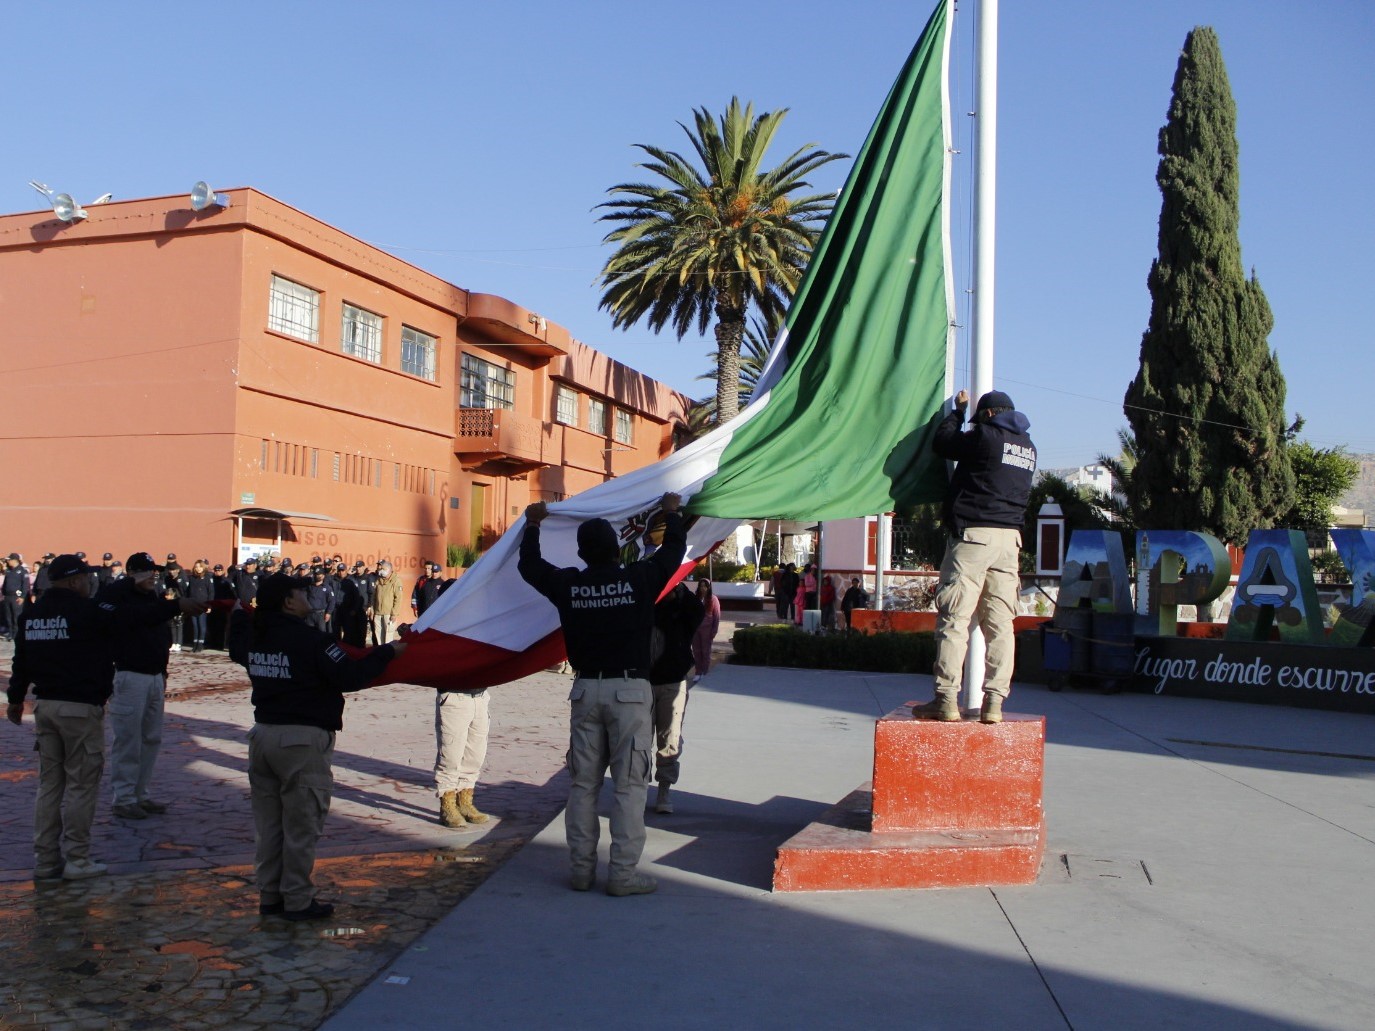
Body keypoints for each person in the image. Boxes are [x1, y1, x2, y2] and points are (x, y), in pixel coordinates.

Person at [518, 492, 686, 897]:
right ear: (616, 551)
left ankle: (580, 870)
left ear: (581, 553)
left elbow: (529, 566)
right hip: (629, 691)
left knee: (583, 785)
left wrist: (534, 525)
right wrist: (671, 513)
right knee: (629, 786)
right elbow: (673, 551)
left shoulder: (569, 584)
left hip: (585, 690)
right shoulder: (639, 579)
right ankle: (623, 875)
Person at [228, 573, 404, 921]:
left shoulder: (257, 636)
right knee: (301, 824)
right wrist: (387, 653)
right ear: (288, 602)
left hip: (263, 736)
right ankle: (297, 901)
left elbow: (237, 649)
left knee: (270, 826)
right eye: (301, 591)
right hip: (301, 741)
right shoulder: (311, 640)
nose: (309, 595)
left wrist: (236, 616)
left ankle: (271, 896)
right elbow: (351, 676)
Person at [912, 389, 1037, 725]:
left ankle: (946, 699)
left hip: (973, 537)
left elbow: (944, 443)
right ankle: (994, 703)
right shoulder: (1028, 448)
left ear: (989, 414)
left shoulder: (986, 436)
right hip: (1010, 543)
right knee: (1001, 626)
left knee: (956, 620)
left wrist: (958, 411)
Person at [6, 555, 116, 880]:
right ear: (73, 581)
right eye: (85, 578)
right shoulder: (87, 612)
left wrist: (15, 699)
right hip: (80, 707)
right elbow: (122, 627)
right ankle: (78, 858)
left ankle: (46, 859)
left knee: (50, 784)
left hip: (46, 707)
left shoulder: (32, 614)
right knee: (82, 784)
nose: (89, 583)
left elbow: (20, 661)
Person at [98, 552, 207, 818]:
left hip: (156, 676)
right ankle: (123, 798)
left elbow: (157, 624)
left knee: (150, 739)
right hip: (130, 676)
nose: (153, 576)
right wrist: (174, 604)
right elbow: (131, 616)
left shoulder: (153, 599)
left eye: (155, 572)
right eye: (147, 571)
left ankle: (140, 794)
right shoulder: (118, 597)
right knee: (128, 740)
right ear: (133, 573)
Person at [647, 581, 705, 815]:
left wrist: (677, 587)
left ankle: (664, 788)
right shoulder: (644, 596)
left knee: (670, 737)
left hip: (674, 678)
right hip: (642, 679)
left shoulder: (684, 606)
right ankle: (638, 788)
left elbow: (698, 612)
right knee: (638, 740)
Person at [433, 677, 492, 829]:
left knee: (475, 754)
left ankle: (465, 802)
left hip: (480, 696)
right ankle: (447, 806)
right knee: (451, 755)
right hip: (454, 696)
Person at [691, 579, 720, 681]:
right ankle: (698, 672)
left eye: (705, 586)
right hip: (695, 629)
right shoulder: (696, 599)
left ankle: (704, 671)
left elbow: (716, 616)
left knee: (705, 652)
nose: (703, 588)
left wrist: (714, 630)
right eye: (701, 586)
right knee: (696, 651)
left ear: (709, 588)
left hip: (707, 631)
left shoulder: (713, 599)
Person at [371, 561, 406, 645]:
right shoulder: (378, 580)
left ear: (390, 570)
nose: (381, 570)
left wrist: (394, 613)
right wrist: (372, 610)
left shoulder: (396, 581)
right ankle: (380, 651)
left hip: (389, 613)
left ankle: (388, 652)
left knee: (388, 635)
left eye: (383, 569)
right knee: (378, 635)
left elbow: (398, 599)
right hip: (378, 613)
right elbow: (374, 597)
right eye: (381, 569)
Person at [186, 560, 215, 652]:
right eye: (196, 567)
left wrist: (209, 606)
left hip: (203, 604)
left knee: (201, 625)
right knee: (194, 625)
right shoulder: (191, 578)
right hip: (193, 604)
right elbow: (188, 592)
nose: (198, 568)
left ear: (203, 567)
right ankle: (195, 643)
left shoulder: (207, 578)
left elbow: (211, 592)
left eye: (200, 566)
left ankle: (200, 644)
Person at [2, 552, 30, 642]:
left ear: (14, 560)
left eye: (9, 560)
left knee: (16, 616)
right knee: (8, 616)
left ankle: (17, 634)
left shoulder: (22, 571)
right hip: (8, 597)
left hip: (16, 597)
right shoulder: (9, 571)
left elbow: (25, 585)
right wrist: (4, 593)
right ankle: (10, 633)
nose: (8, 562)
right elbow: (5, 583)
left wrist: (22, 596)